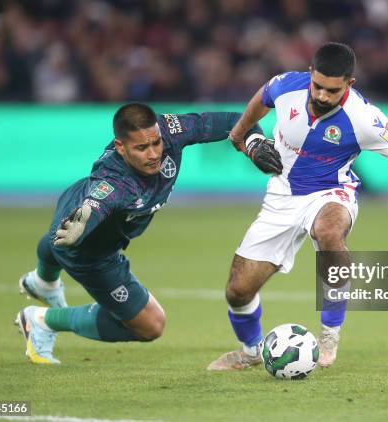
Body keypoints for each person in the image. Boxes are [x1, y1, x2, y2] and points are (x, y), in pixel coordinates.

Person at [207, 42, 388, 371]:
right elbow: (261, 98)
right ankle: (250, 351)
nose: (321, 95)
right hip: (282, 195)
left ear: (349, 83)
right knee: (238, 291)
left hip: (333, 192)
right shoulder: (286, 85)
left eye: (331, 90)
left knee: (328, 232)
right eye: (317, 86)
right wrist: (241, 139)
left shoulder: (365, 119)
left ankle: (329, 335)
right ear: (310, 75)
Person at [15, 103, 282, 364]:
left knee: (54, 241)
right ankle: (40, 321)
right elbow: (97, 202)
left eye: (155, 142)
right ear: (120, 147)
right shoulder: (115, 180)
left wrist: (254, 142)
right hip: (87, 246)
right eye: (141, 148)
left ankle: (43, 280)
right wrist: (85, 216)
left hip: (72, 205)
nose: (153, 153)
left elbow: (234, 121)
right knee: (151, 325)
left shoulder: (170, 130)